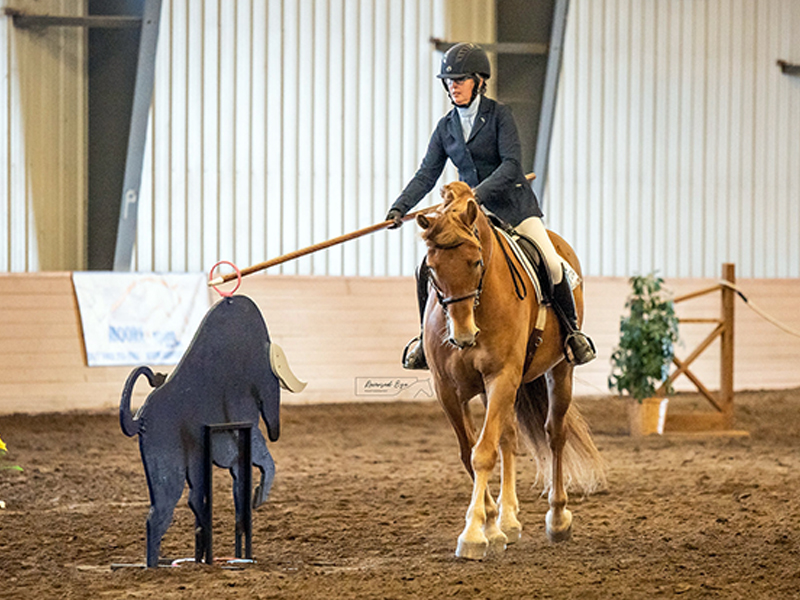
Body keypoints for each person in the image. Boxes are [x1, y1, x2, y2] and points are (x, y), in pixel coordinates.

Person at [386, 42, 595, 369]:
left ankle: (572, 334)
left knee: (552, 264)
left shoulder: (500, 115)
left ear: (479, 81)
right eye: (449, 81)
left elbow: (512, 165)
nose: (453, 86)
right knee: (426, 268)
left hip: (514, 208)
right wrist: (398, 208)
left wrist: (476, 195)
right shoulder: (446, 127)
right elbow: (427, 173)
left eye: (461, 80)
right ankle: (424, 341)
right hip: (472, 218)